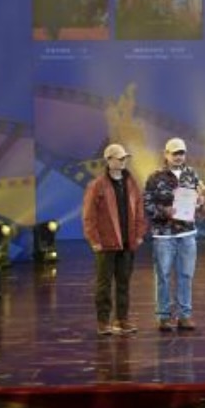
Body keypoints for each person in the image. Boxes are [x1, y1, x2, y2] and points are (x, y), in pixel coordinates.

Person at [82, 143, 148, 336]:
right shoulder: (97, 185)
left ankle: (121, 319)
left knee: (123, 282)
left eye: (125, 158)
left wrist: (139, 234)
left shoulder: (131, 183)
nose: (123, 161)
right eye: (120, 158)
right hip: (106, 243)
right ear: (109, 160)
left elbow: (139, 210)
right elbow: (89, 215)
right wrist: (94, 240)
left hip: (127, 242)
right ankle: (103, 321)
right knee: (104, 284)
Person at [143, 137, 205, 332]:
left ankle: (184, 316)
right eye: (175, 153)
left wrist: (200, 202)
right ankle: (163, 317)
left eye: (181, 153)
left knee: (186, 275)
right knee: (163, 276)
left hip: (187, 233)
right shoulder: (155, 177)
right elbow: (147, 205)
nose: (178, 157)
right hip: (164, 234)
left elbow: (197, 203)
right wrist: (165, 212)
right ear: (166, 154)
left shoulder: (192, 174)